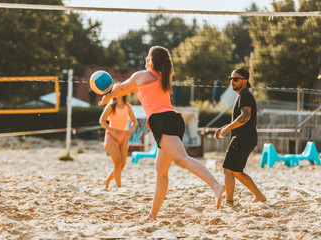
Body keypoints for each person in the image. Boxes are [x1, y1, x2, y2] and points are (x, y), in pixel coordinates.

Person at [99, 46, 225, 220]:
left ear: (151, 60)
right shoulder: (160, 77)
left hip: (163, 121)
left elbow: (121, 89)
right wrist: (113, 92)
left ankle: (216, 186)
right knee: (161, 172)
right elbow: (126, 89)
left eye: (147, 56)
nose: (145, 59)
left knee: (182, 159)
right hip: (172, 119)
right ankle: (152, 215)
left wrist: (107, 96)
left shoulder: (143, 75)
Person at [214, 69, 266, 206]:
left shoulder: (245, 95)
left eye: (236, 79)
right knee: (236, 171)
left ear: (245, 81)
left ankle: (229, 202)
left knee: (227, 169)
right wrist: (224, 127)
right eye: (230, 78)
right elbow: (241, 118)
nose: (232, 81)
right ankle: (259, 195)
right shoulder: (242, 95)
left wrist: (227, 128)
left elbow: (245, 116)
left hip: (242, 138)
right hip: (247, 137)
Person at [99, 83, 137, 188]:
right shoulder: (111, 106)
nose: (117, 92)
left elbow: (134, 122)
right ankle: (119, 186)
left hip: (124, 136)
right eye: (115, 90)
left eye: (120, 90)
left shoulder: (127, 106)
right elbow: (102, 121)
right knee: (117, 162)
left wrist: (130, 129)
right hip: (112, 136)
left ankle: (106, 180)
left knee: (123, 163)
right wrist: (111, 130)